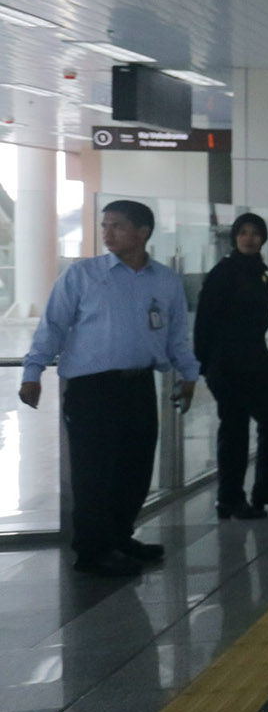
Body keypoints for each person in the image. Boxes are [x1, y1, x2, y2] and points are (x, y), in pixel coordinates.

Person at [19, 200, 200, 576]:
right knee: (94, 471)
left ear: (142, 232)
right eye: (104, 226)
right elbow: (52, 326)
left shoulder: (164, 280)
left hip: (138, 386)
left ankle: (119, 538)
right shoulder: (82, 275)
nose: (107, 233)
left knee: (134, 468)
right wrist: (33, 370)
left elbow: (177, 335)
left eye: (116, 226)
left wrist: (188, 375)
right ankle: (92, 550)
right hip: (91, 388)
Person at [195, 211, 268, 520]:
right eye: (243, 233)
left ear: (263, 239)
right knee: (235, 429)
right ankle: (229, 498)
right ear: (234, 238)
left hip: (255, 359)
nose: (249, 238)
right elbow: (205, 321)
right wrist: (204, 365)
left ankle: (265, 488)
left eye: (255, 233)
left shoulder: (260, 272)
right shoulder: (224, 273)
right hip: (227, 364)